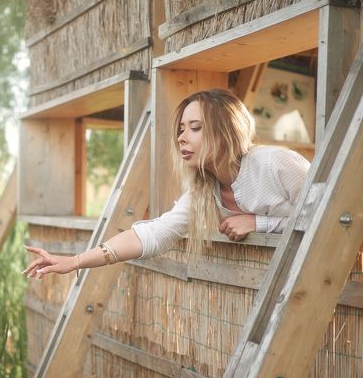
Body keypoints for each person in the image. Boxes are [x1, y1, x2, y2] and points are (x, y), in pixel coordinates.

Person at [22, 88, 310, 280]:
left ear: (226, 131)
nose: (181, 137)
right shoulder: (203, 193)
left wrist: (258, 223)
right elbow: (152, 234)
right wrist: (74, 262)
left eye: (195, 128)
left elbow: (327, 217)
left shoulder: (275, 163)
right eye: (181, 129)